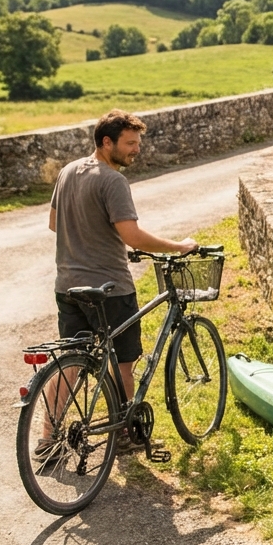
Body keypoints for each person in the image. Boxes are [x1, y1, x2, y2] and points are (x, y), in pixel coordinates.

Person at [47, 110, 197, 449]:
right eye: (129, 143)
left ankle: (46, 438)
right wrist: (179, 246)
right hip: (109, 290)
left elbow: (55, 223)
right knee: (122, 363)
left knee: (71, 362)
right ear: (106, 142)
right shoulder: (113, 180)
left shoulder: (68, 171)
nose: (136, 150)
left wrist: (91, 238)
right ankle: (124, 435)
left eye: (137, 143)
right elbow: (133, 236)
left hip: (67, 286)